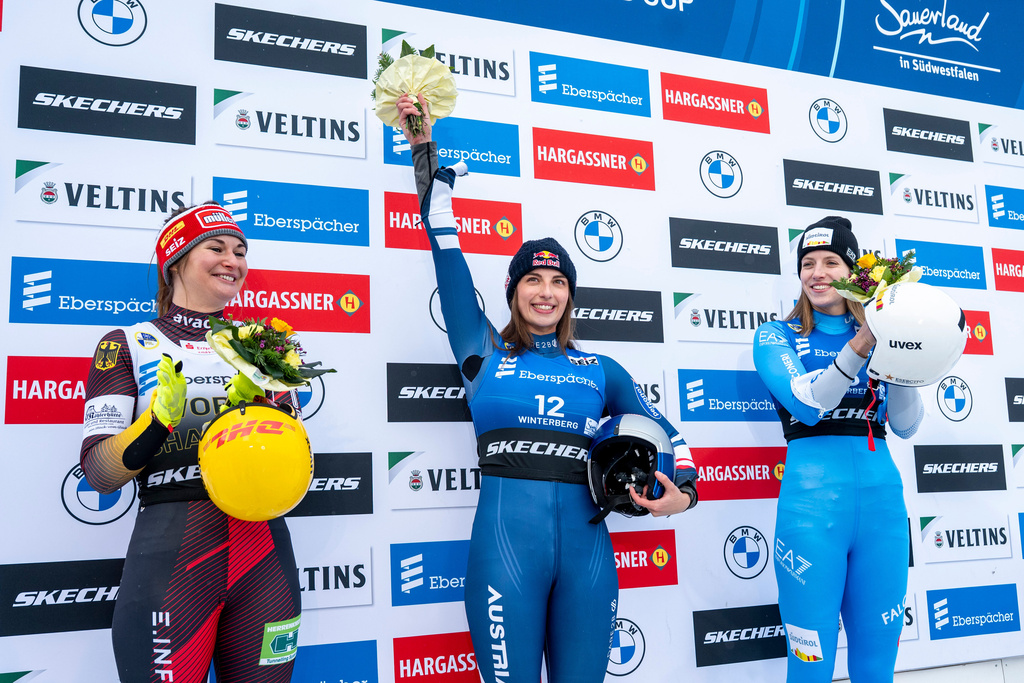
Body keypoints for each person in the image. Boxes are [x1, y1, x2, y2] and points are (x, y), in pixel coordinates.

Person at [397, 93, 698, 683]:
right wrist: (422, 150)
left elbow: (672, 438)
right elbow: (445, 252)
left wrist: (682, 493)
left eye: (558, 281)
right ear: (513, 292)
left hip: (589, 559)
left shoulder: (601, 370)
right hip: (504, 557)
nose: (545, 291)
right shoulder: (482, 353)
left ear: (570, 295)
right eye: (531, 279)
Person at [79, 203, 301, 682]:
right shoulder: (128, 344)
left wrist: (265, 407)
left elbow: (299, 463)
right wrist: (157, 422)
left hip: (263, 554)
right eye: (216, 247)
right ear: (175, 261)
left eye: (241, 251)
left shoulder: (266, 346)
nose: (233, 260)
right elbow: (99, 474)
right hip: (172, 560)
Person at [753, 216, 923, 682]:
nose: (817, 272)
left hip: (883, 509)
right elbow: (808, 405)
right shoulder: (776, 336)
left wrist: (892, 353)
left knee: (876, 663)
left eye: (831, 261)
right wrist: (861, 344)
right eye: (807, 263)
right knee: (810, 666)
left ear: (852, 273)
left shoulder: (881, 335)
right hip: (810, 512)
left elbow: (906, 424)